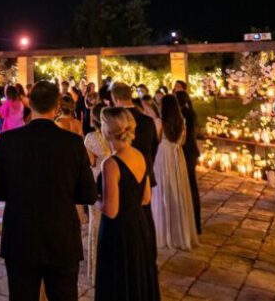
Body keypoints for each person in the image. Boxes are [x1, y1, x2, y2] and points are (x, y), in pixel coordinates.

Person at [0, 81, 97, 301]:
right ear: (56, 107)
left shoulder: (9, 141)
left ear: (31, 105)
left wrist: (17, 191)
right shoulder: (73, 143)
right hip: (61, 235)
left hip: (21, 235)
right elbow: (88, 195)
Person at [95, 107, 159, 301]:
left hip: (118, 232)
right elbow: (146, 197)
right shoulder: (139, 155)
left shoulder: (111, 164)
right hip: (138, 226)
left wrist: (94, 199)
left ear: (107, 129)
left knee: (118, 281)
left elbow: (111, 210)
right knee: (136, 277)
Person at [151, 95, 199, 250]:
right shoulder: (182, 123)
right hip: (177, 157)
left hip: (163, 157)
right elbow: (182, 141)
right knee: (178, 191)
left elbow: (156, 140)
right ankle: (179, 232)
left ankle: (164, 232)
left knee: (163, 192)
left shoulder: (160, 122)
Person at [82, 103, 111, 285]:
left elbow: (90, 162)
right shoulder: (113, 136)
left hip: (97, 179)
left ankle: (96, 269)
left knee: (96, 222)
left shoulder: (91, 137)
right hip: (113, 178)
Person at [175, 90, 202, 234]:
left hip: (186, 152)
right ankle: (195, 223)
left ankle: (192, 222)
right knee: (191, 186)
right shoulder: (190, 113)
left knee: (189, 186)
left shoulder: (183, 115)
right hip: (191, 151)